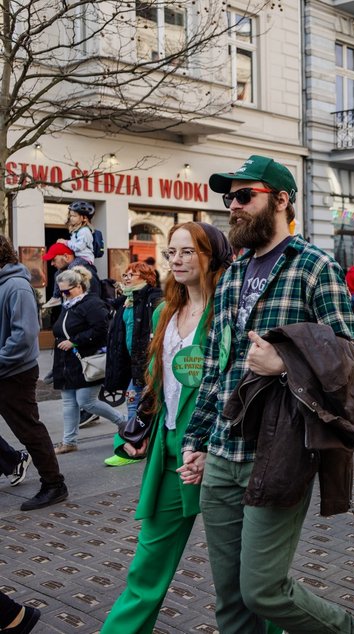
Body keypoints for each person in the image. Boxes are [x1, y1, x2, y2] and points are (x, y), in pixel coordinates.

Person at [182, 155, 354, 634]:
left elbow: (351, 359)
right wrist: (196, 440)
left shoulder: (314, 266)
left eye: (244, 196)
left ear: (281, 199)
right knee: (230, 600)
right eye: (229, 198)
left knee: (262, 589)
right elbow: (216, 367)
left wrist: (285, 362)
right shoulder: (232, 275)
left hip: (278, 452)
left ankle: (348, 629)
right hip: (222, 453)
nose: (233, 206)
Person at [100, 222, 234, 634]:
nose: (176, 260)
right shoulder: (164, 312)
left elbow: (239, 388)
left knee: (242, 575)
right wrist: (138, 431)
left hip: (221, 455)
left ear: (212, 256)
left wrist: (212, 446)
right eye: (171, 252)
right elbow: (157, 385)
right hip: (170, 452)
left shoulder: (229, 312)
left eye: (187, 251)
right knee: (147, 566)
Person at [0, 235, 68, 511]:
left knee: (29, 429)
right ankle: (13, 462)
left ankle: (54, 484)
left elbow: (24, 336)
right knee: (28, 428)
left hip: (14, 373)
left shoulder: (16, 286)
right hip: (6, 370)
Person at [51, 267, 126, 455]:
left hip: (87, 360)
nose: (64, 295)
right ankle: (69, 441)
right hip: (67, 361)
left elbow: (101, 330)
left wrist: (75, 341)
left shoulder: (92, 303)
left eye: (67, 291)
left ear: (79, 286)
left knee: (86, 401)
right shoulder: (69, 304)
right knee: (69, 402)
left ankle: (123, 421)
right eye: (61, 291)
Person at [103, 262, 163, 467]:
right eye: (125, 274)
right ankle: (141, 443)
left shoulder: (153, 298)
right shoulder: (126, 302)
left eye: (132, 274)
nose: (127, 278)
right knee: (137, 403)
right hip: (133, 364)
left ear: (146, 278)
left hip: (148, 363)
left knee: (134, 403)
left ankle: (132, 447)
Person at [41, 242, 101, 307]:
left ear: (66, 257)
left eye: (54, 260)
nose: (52, 264)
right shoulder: (62, 275)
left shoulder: (86, 273)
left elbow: (94, 303)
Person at [57, 200, 97, 267]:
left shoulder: (84, 231)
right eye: (71, 216)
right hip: (78, 257)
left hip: (84, 258)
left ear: (84, 218)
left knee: (71, 268)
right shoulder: (77, 231)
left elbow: (78, 247)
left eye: (74, 216)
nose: (71, 218)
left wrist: (65, 242)